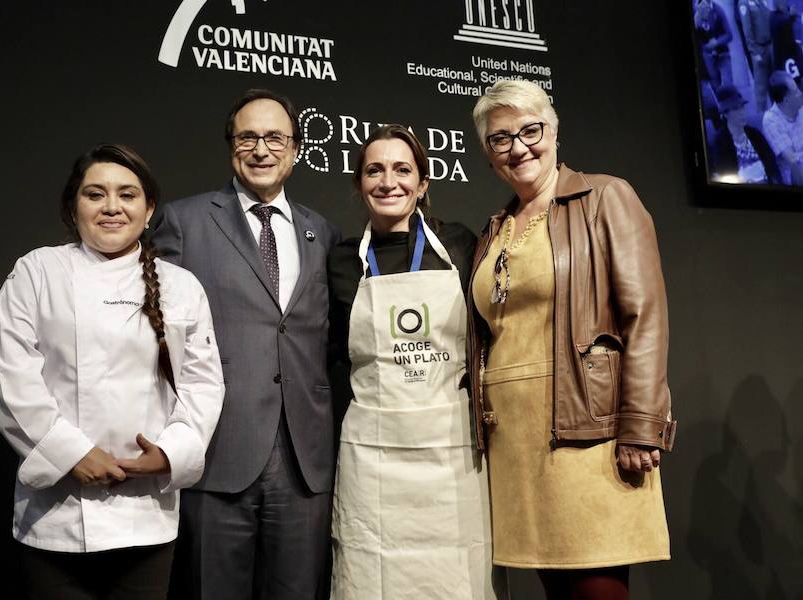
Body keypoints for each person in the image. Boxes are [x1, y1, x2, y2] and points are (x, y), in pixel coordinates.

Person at [467, 80, 677, 600]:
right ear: (488, 154)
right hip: (514, 444)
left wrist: (641, 425)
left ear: (554, 131)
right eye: (500, 139)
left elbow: (644, 313)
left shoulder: (605, 197)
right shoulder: (496, 227)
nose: (518, 147)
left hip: (589, 437)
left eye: (530, 130)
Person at [0, 143, 225, 600]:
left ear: (149, 207)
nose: (112, 207)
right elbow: (10, 377)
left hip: (146, 512)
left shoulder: (181, 286)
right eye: (95, 194)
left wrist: (171, 453)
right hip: (55, 513)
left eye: (128, 195)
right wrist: (72, 453)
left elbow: (202, 384)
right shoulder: (37, 272)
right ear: (73, 205)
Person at [152, 88, 341, 600]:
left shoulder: (322, 233)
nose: (262, 149)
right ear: (231, 145)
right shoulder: (185, 221)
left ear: (297, 150)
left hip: (306, 462)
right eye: (249, 137)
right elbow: (154, 334)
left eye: (275, 137)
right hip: (218, 451)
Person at [327, 125, 500, 599]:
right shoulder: (342, 260)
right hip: (373, 454)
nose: (389, 182)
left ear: (423, 183)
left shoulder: (462, 246)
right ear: (360, 183)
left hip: (450, 453)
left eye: (403, 170)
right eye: (374, 170)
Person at [711, 84, 770, 183]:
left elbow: (771, 165)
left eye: (742, 107)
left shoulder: (755, 134)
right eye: (735, 109)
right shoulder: (720, 143)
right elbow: (725, 176)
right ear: (725, 114)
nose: (741, 112)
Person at [762, 70, 803, 184]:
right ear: (786, 100)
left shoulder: (801, 109)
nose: (801, 93)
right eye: (796, 91)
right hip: (795, 177)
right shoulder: (771, 120)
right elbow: (793, 160)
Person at [738, 0, 773, 111]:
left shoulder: (762, 1)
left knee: (774, 82)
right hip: (759, 49)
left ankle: (777, 111)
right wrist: (754, 52)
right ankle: (762, 115)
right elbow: (747, 31)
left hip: (770, 46)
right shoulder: (744, 3)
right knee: (761, 87)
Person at [694, 0, 734, 89]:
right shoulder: (695, 13)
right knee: (715, 86)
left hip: (723, 53)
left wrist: (716, 42)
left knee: (728, 84)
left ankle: (733, 100)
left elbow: (729, 35)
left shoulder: (718, 10)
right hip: (708, 57)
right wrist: (696, 23)